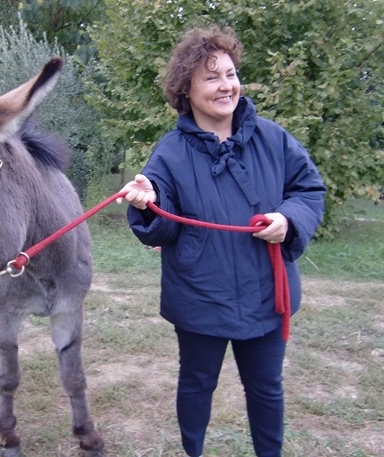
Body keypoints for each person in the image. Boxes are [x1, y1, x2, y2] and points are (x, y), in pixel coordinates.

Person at [116, 25, 326, 457]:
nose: (226, 85)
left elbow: (309, 190)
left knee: (267, 388)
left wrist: (289, 219)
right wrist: (145, 203)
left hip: (267, 292)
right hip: (199, 296)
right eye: (212, 77)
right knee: (196, 384)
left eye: (230, 74)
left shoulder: (273, 138)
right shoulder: (169, 153)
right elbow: (162, 226)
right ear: (186, 89)